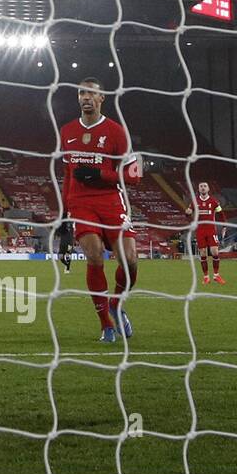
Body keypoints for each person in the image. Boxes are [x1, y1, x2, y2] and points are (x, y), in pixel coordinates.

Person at [58, 78, 139, 343]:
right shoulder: (66, 131)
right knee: (94, 256)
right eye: (82, 92)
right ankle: (105, 324)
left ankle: (116, 304)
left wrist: (101, 174)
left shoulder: (117, 131)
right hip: (81, 203)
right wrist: (63, 216)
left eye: (92, 93)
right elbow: (68, 175)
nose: (86, 97)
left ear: (102, 97)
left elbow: (134, 175)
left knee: (130, 261)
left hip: (112, 200)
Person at [184, 181, 225, 285]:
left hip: (211, 230)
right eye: (201, 186)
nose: (203, 188)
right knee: (203, 253)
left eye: (205, 186)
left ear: (208, 189)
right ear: (198, 189)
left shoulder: (214, 201)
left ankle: (216, 275)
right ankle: (206, 277)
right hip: (200, 230)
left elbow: (221, 214)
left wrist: (224, 226)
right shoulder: (194, 202)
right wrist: (187, 214)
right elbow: (188, 214)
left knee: (215, 251)